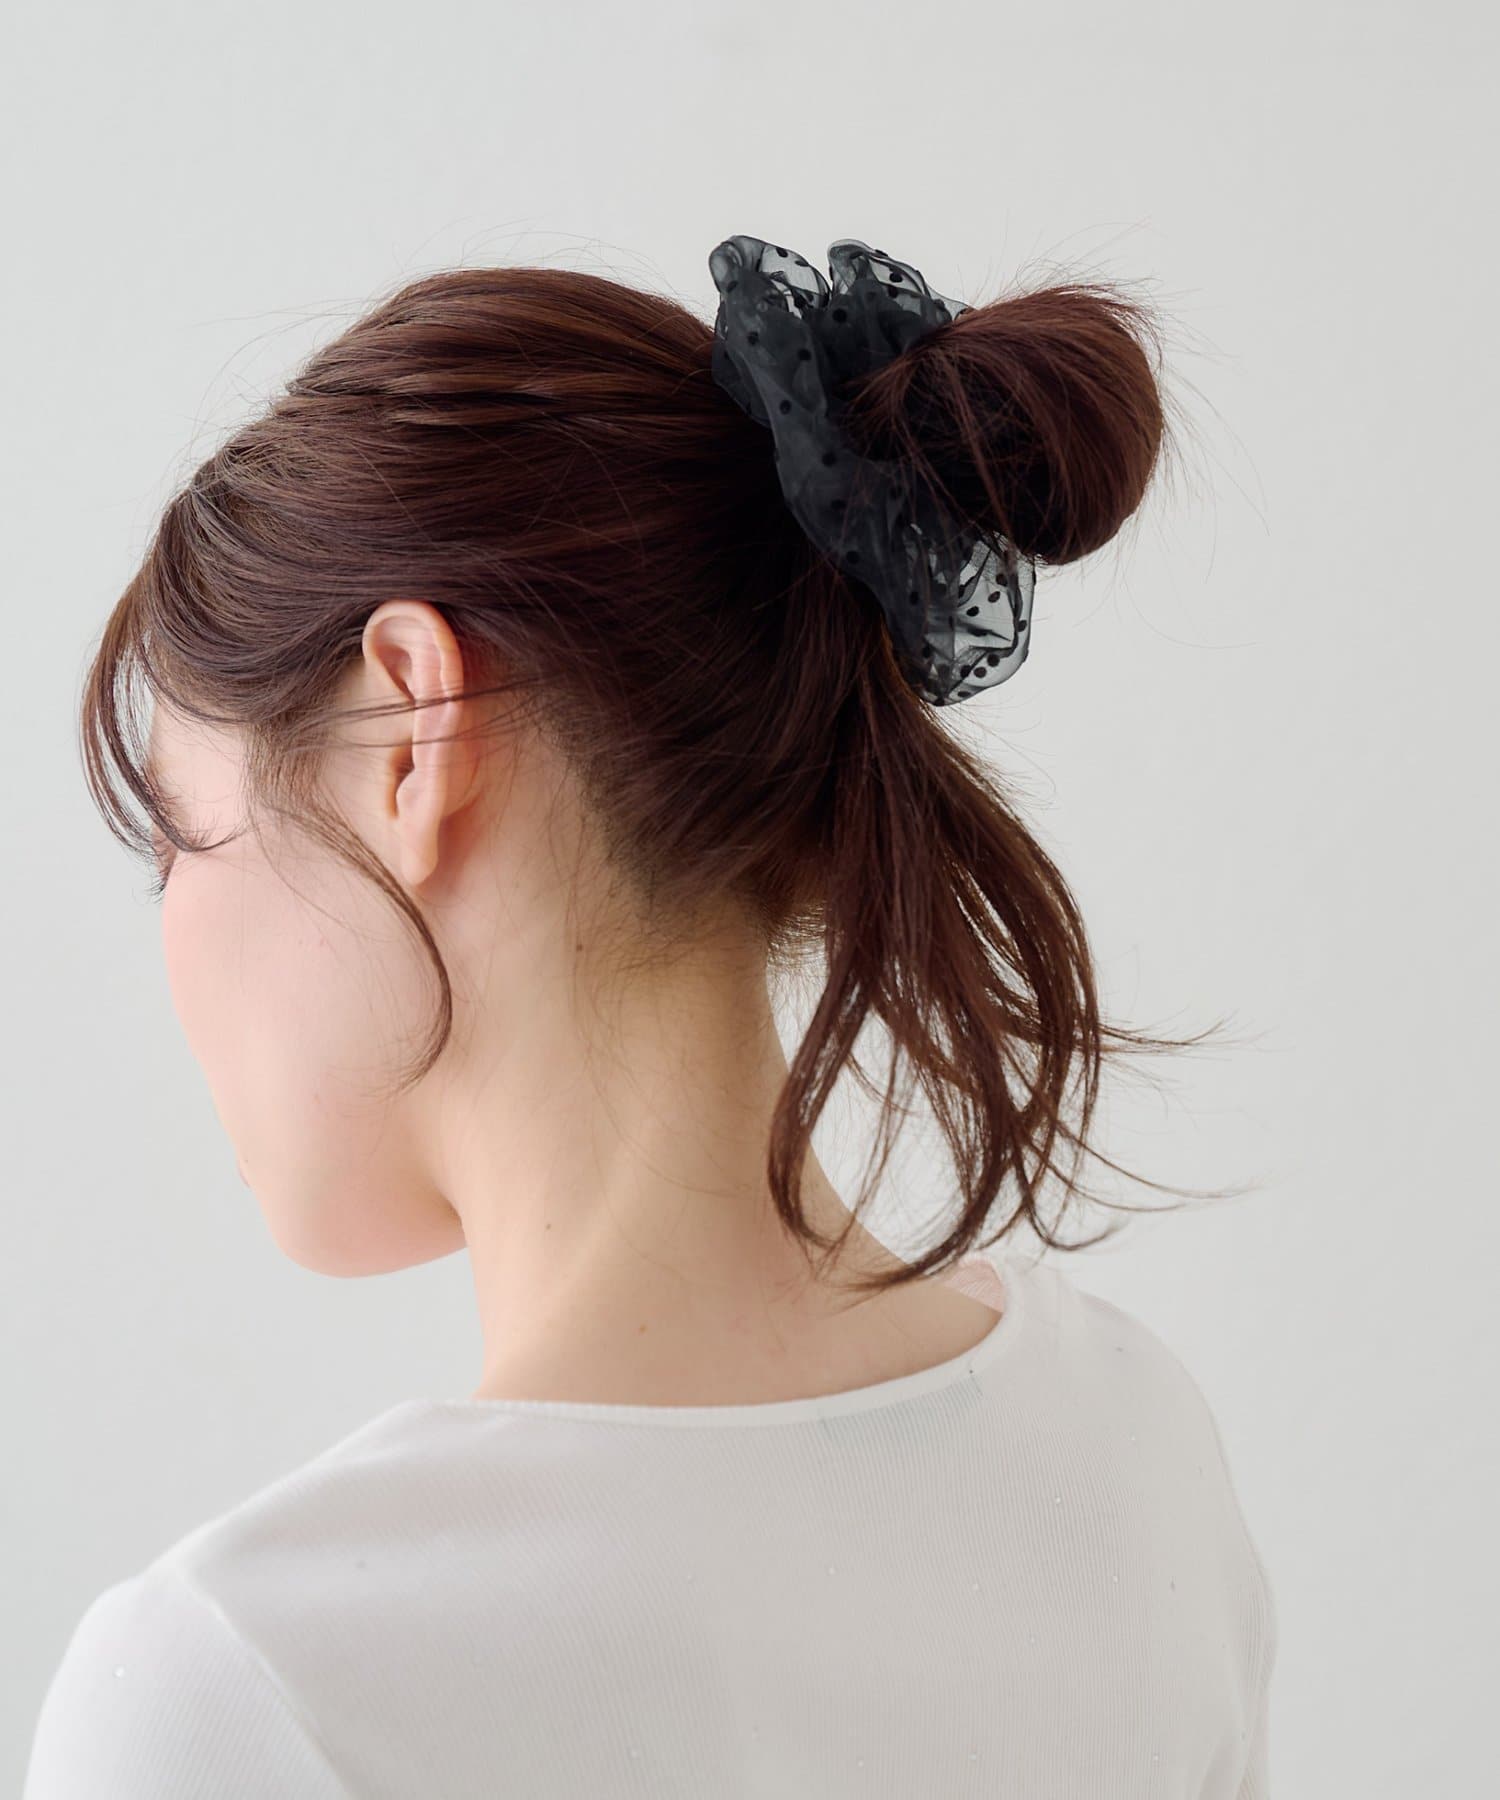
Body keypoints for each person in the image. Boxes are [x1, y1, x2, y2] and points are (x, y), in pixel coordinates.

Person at [25, 236, 1276, 1796]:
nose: (173, 942)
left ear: (410, 740)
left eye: (177, 838)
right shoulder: (1126, 1454)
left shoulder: (252, 1689)